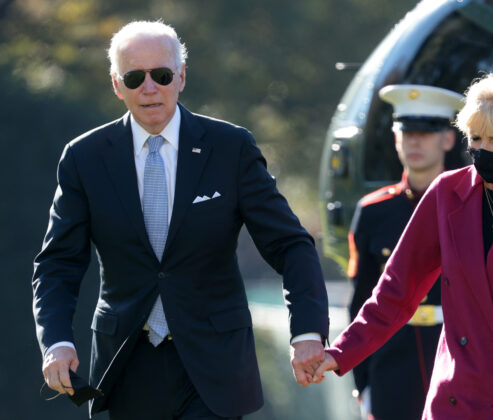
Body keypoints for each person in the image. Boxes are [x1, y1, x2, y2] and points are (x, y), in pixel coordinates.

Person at [32, 20, 329, 419]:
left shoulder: (229, 148)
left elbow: (291, 245)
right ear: (117, 85)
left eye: (162, 75)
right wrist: (55, 343)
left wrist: (307, 333)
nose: (150, 88)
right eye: (135, 77)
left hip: (215, 366)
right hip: (126, 365)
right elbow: (57, 264)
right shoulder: (84, 158)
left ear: (182, 78)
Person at [314, 71, 493, 420]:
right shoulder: (446, 194)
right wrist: (340, 352)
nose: (482, 150)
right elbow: (394, 292)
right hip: (461, 397)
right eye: (476, 138)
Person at [346, 85, 463, 420]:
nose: (415, 142)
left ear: (448, 139)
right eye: (407, 132)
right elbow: (360, 300)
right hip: (391, 361)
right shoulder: (373, 211)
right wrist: (363, 381)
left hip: (457, 354)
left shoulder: (470, 206)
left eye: (426, 133)